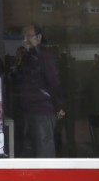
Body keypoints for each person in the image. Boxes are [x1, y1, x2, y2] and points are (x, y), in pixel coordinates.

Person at [14, 24, 65, 157]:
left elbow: (54, 83)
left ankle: (48, 177)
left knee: (44, 150)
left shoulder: (44, 56)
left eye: (29, 36)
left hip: (42, 110)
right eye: (23, 37)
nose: (25, 40)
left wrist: (59, 106)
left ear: (39, 37)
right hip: (30, 110)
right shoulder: (27, 57)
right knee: (33, 149)